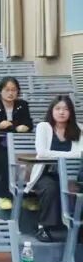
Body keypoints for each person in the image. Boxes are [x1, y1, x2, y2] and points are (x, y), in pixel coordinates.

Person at [24, 96, 82, 240]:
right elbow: (42, 153)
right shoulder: (43, 127)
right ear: (52, 111)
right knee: (51, 188)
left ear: (71, 112)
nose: (61, 112)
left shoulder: (79, 128)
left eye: (66, 109)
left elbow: (80, 153)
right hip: (45, 173)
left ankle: (78, 228)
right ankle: (43, 227)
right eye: (58, 109)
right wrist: (69, 155)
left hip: (70, 175)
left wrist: (58, 155)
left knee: (78, 189)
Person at [0, 76, 34, 209]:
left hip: (19, 146)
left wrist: (25, 127)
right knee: (8, 158)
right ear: (0, 91)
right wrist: (0, 126)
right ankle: (5, 196)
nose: (10, 93)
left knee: (31, 160)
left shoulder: (22, 105)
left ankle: (27, 197)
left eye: (14, 90)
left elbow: (29, 123)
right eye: (7, 90)